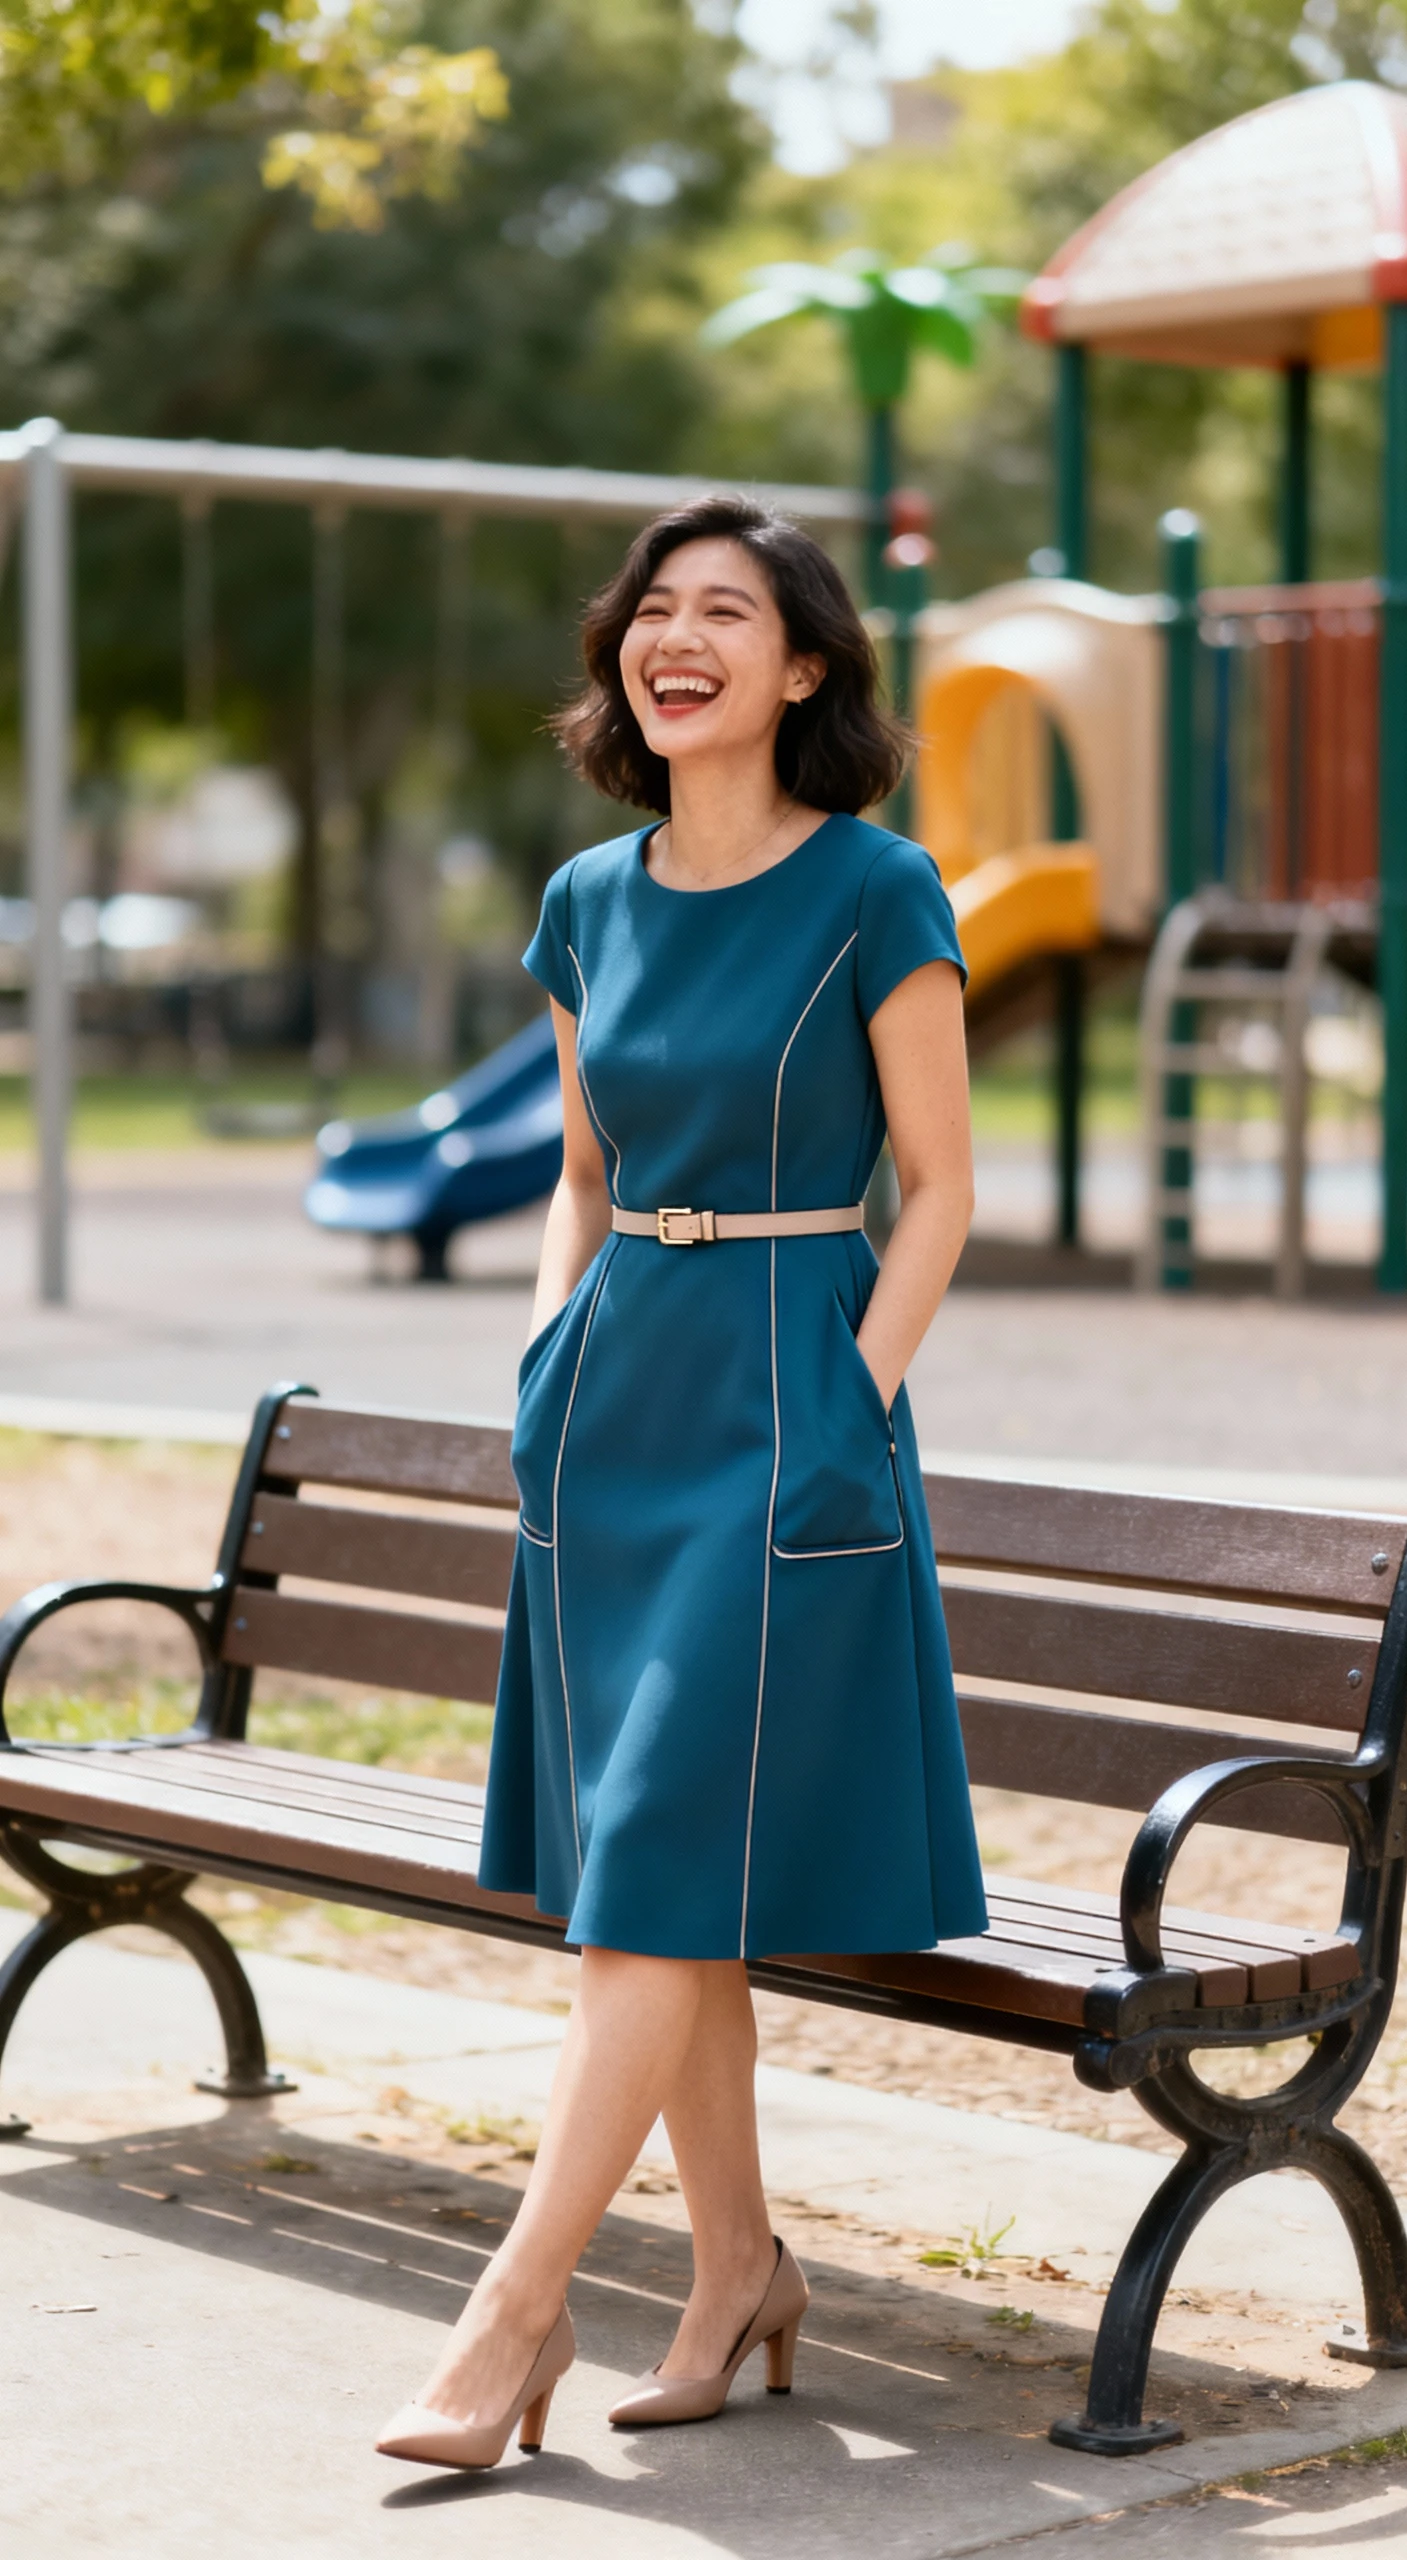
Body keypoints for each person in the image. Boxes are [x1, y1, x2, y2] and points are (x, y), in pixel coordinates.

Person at [377, 493, 985, 2470]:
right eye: (655, 609)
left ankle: (512, 2309)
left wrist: (847, 1410)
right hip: (615, 1399)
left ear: (803, 666)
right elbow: (577, 1170)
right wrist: (546, 1353)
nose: (678, 636)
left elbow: (942, 1189)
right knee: (672, 1882)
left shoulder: (877, 888)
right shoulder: (585, 898)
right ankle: (738, 2269)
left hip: (784, 1403)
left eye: (727, 609)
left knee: (646, 1871)